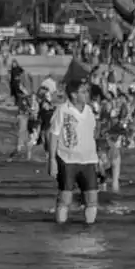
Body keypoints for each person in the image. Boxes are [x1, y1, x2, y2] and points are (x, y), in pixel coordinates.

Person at [48, 78, 100, 226]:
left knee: (92, 198)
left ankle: (89, 231)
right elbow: (53, 135)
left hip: (89, 160)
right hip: (68, 160)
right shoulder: (62, 110)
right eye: (83, 92)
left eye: (87, 91)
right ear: (74, 94)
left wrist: (99, 157)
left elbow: (92, 135)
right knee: (65, 198)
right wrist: (52, 160)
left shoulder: (89, 110)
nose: (87, 94)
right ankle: (60, 229)